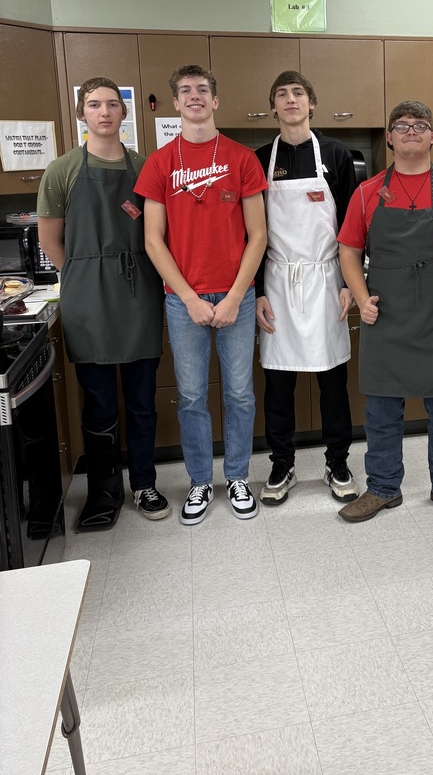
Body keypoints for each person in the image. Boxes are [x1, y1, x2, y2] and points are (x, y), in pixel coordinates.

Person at [337, 100, 433, 522]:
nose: (411, 132)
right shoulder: (366, 194)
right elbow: (349, 252)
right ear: (389, 137)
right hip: (387, 312)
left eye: (420, 126)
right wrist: (363, 298)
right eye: (401, 127)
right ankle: (383, 487)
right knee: (382, 408)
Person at [136, 65, 268, 525]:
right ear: (175, 103)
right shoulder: (159, 163)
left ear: (215, 101)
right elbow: (154, 240)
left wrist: (233, 297)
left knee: (239, 393)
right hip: (182, 299)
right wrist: (190, 298)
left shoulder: (241, 158)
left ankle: (236, 477)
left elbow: (258, 235)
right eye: (186, 91)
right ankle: (198, 481)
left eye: (203, 90)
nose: (195, 96)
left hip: (238, 295)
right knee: (191, 396)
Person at [37, 77, 168, 529]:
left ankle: (145, 484)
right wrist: (84, 272)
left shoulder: (146, 167)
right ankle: (103, 493)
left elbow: (159, 234)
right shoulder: (63, 170)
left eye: (113, 104)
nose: (105, 112)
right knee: (99, 404)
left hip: (139, 295)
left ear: (124, 112)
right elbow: (51, 240)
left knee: (141, 401)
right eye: (94, 104)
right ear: (82, 113)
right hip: (88, 298)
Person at [255, 70, 359, 505]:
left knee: (333, 378)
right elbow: (252, 233)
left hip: (326, 279)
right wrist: (259, 289)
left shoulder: (336, 156)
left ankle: (339, 461)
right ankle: (283, 464)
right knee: (278, 383)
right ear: (274, 107)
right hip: (278, 281)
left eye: (298, 93)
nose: (291, 100)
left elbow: (354, 229)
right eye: (282, 95)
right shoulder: (259, 159)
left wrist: (350, 284)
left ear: (311, 103)